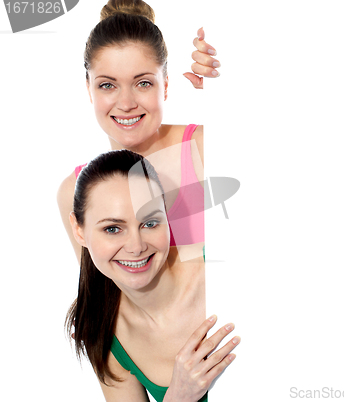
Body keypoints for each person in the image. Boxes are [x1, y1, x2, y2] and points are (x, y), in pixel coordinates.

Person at [67, 150, 239, 402]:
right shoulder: (106, 336)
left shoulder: (222, 268)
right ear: (79, 230)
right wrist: (178, 396)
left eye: (149, 223)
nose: (136, 247)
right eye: (112, 229)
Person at [58, 0, 217, 263]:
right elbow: (100, 296)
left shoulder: (204, 147)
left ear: (165, 85)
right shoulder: (74, 190)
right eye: (108, 85)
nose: (126, 104)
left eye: (143, 83)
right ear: (89, 89)